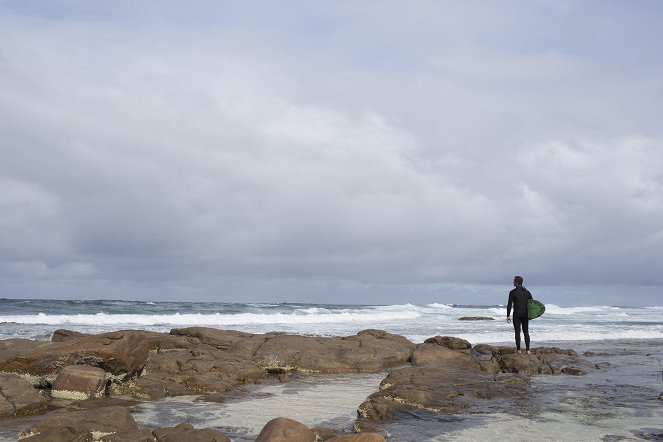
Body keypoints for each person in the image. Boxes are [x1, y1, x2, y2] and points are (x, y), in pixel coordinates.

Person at [506, 275, 533, 354]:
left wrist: (508, 315)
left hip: (517, 314)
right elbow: (532, 304)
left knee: (517, 332)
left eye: (514, 280)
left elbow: (509, 305)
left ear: (517, 282)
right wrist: (531, 315)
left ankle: (519, 350)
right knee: (526, 332)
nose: (513, 282)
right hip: (525, 314)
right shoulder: (527, 292)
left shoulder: (512, 292)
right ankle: (528, 350)